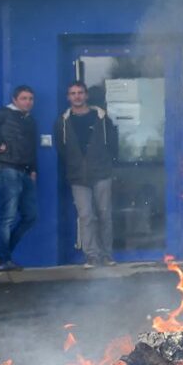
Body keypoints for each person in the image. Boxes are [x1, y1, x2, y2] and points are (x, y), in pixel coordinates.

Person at [53, 81, 119, 268]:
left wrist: (106, 164)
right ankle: (91, 255)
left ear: (86, 95)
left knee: (105, 215)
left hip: (101, 173)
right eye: (73, 93)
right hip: (78, 176)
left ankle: (107, 255)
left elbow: (113, 144)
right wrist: (75, 165)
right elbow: (62, 149)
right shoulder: (63, 122)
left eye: (80, 93)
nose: (77, 96)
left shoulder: (101, 118)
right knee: (86, 216)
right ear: (68, 97)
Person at [0, 85, 38, 272]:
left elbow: (32, 147)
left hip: (25, 171)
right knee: (8, 217)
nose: (28, 102)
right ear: (14, 100)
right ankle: (4, 261)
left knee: (30, 216)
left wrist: (34, 170)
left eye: (30, 99)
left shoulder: (30, 120)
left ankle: (2, 255)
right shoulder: (4, 114)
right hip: (6, 169)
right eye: (24, 98)